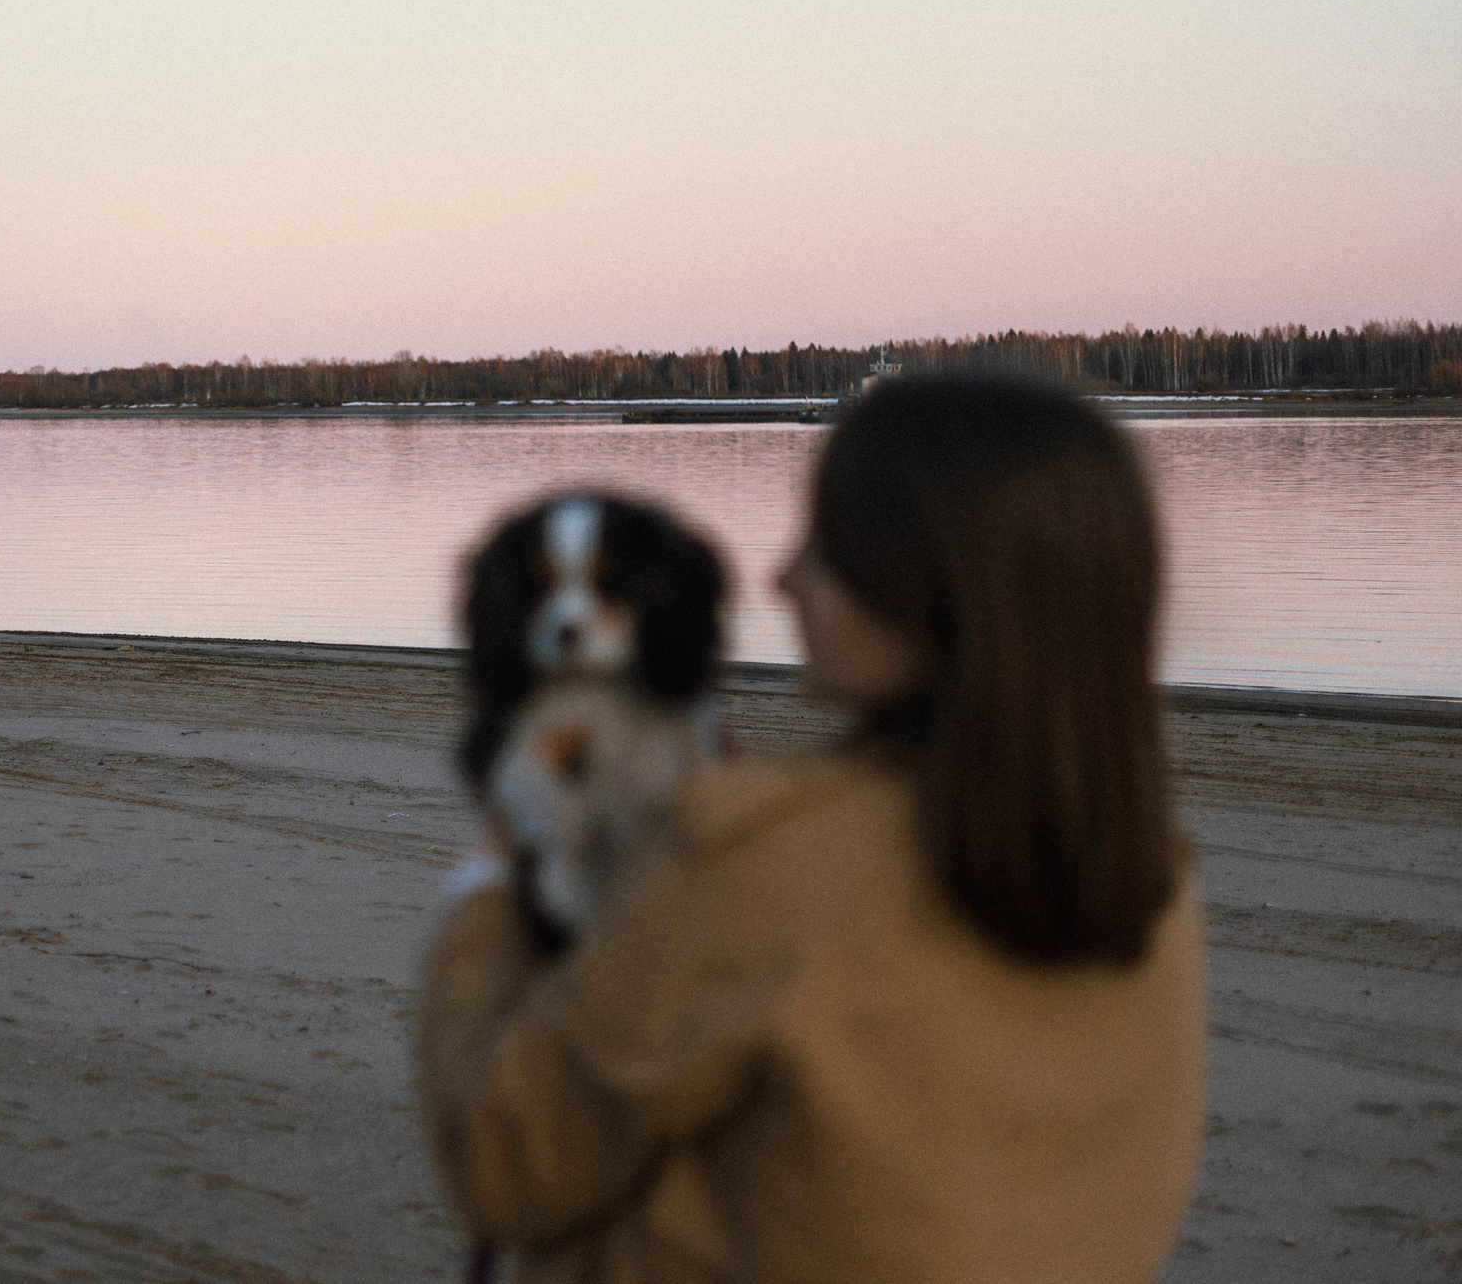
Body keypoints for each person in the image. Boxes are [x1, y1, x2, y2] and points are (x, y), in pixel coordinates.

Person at [417, 374, 1205, 1282]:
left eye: (828, 546)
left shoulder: (759, 859)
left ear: (931, 584)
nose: (780, 577)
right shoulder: (1153, 880)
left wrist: (489, 878)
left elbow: (503, 1166)